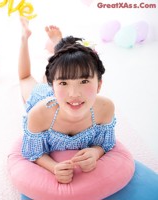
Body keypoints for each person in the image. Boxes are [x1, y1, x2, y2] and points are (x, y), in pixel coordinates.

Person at [18, 16, 116, 186]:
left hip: (59, 93)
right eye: (64, 83)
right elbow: (33, 152)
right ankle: (25, 37)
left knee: (66, 70)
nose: (74, 94)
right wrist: (53, 167)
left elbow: (104, 144)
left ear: (99, 84)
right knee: (25, 78)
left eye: (84, 81)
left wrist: (95, 152)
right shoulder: (38, 114)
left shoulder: (105, 107)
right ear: (53, 87)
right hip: (48, 100)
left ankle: (59, 47)